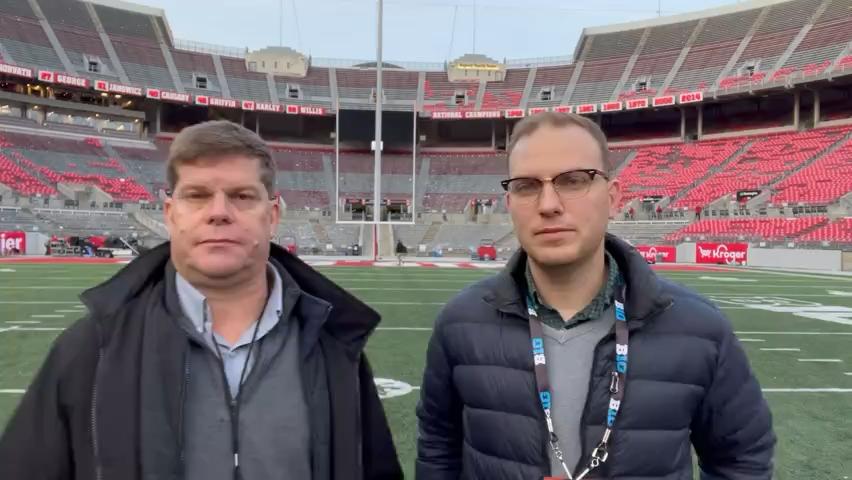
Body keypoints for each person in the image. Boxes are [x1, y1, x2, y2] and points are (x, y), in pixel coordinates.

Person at [0, 120, 403, 480]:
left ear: (273, 216)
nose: (219, 212)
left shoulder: (332, 343)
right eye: (197, 195)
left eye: (242, 196)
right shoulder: (93, 348)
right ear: (171, 213)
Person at [415, 112, 775, 479]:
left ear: (614, 197)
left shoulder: (700, 328)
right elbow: (437, 451)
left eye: (573, 181)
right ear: (510, 204)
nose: (548, 204)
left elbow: (742, 459)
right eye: (526, 186)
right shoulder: (459, 323)